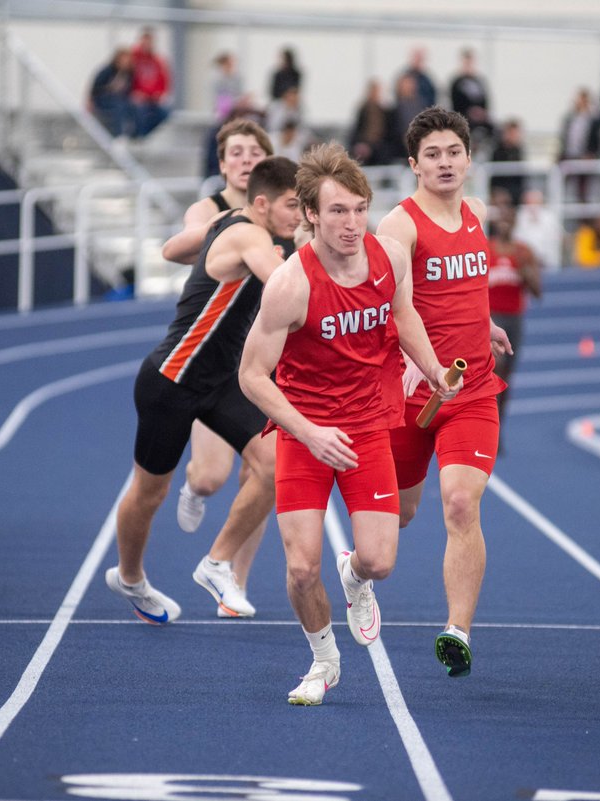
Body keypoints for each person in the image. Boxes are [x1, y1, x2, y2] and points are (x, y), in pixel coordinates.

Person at [239, 143, 457, 705]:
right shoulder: (290, 284)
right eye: (338, 212)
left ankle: (354, 576)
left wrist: (431, 366)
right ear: (310, 214)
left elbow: (402, 312)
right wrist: (308, 431)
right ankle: (323, 659)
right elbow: (252, 376)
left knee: (380, 561)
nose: (352, 223)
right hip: (304, 432)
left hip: (365, 427)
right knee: (300, 568)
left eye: (359, 209)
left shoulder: (388, 258)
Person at [105, 156, 300, 624]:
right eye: (294, 205)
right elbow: (279, 282)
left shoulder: (256, 225)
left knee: (278, 465)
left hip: (221, 382)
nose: (300, 215)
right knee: (150, 493)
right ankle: (129, 577)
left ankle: (216, 563)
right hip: (172, 379)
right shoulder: (249, 234)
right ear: (261, 204)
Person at [376, 107, 512, 678]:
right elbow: (399, 306)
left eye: (453, 151)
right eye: (432, 154)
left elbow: (465, 291)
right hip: (413, 392)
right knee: (399, 519)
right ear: (414, 165)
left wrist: (485, 327)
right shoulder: (398, 227)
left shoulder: (477, 212)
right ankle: (359, 569)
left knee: (460, 502)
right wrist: (425, 365)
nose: (445, 162)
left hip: (473, 390)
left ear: (468, 157)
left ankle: (457, 629)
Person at [160, 119, 283, 612]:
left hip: (267, 366)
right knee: (212, 476)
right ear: (222, 163)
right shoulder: (209, 210)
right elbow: (173, 247)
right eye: (235, 151)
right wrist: (230, 224)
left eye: (255, 151)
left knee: (264, 474)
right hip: (214, 365)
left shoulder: (284, 216)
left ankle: (235, 580)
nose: (245, 158)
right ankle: (193, 485)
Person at [487, 205, 541, 430]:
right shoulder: (485, 249)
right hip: (490, 318)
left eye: (509, 218)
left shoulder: (523, 252)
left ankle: (499, 424)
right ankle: (488, 422)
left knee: (506, 376)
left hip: (514, 319)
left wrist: (524, 269)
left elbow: (537, 291)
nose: (505, 223)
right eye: (502, 218)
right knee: (494, 368)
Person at [129, 27, 171, 139]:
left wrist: (159, 93)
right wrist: (135, 92)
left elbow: (164, 81)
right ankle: (141, 138)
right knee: (141, 111)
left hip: (153, 99)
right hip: (138, 98)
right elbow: (128, 78)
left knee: (165, 112)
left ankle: (157, 139)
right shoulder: (133, 58)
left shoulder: (157, 60)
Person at [89, 47, 134, 138]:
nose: (125, 62)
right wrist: (90, 102)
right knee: (118, 105)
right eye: (123, 59)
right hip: (103, 98)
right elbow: (95, 87)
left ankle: (136, 135)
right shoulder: (107, 71)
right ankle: (119, 134)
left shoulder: (129, 73)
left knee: (133, 106)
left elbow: (128, 90)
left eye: (127, 60)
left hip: (119, 99)